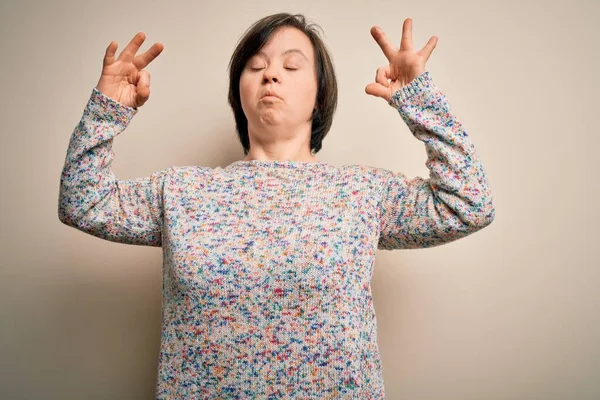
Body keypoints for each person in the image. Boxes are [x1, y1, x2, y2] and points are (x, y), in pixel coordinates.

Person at [58, 12, 495, 399]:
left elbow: (469, 204)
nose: (271, 75)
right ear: (239, 93)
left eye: (290, 66)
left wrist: (418, 97)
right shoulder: (182, 192)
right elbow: (82, 202)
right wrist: (107, 110)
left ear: (321, 95)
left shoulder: (363, 191)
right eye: (256, 66)